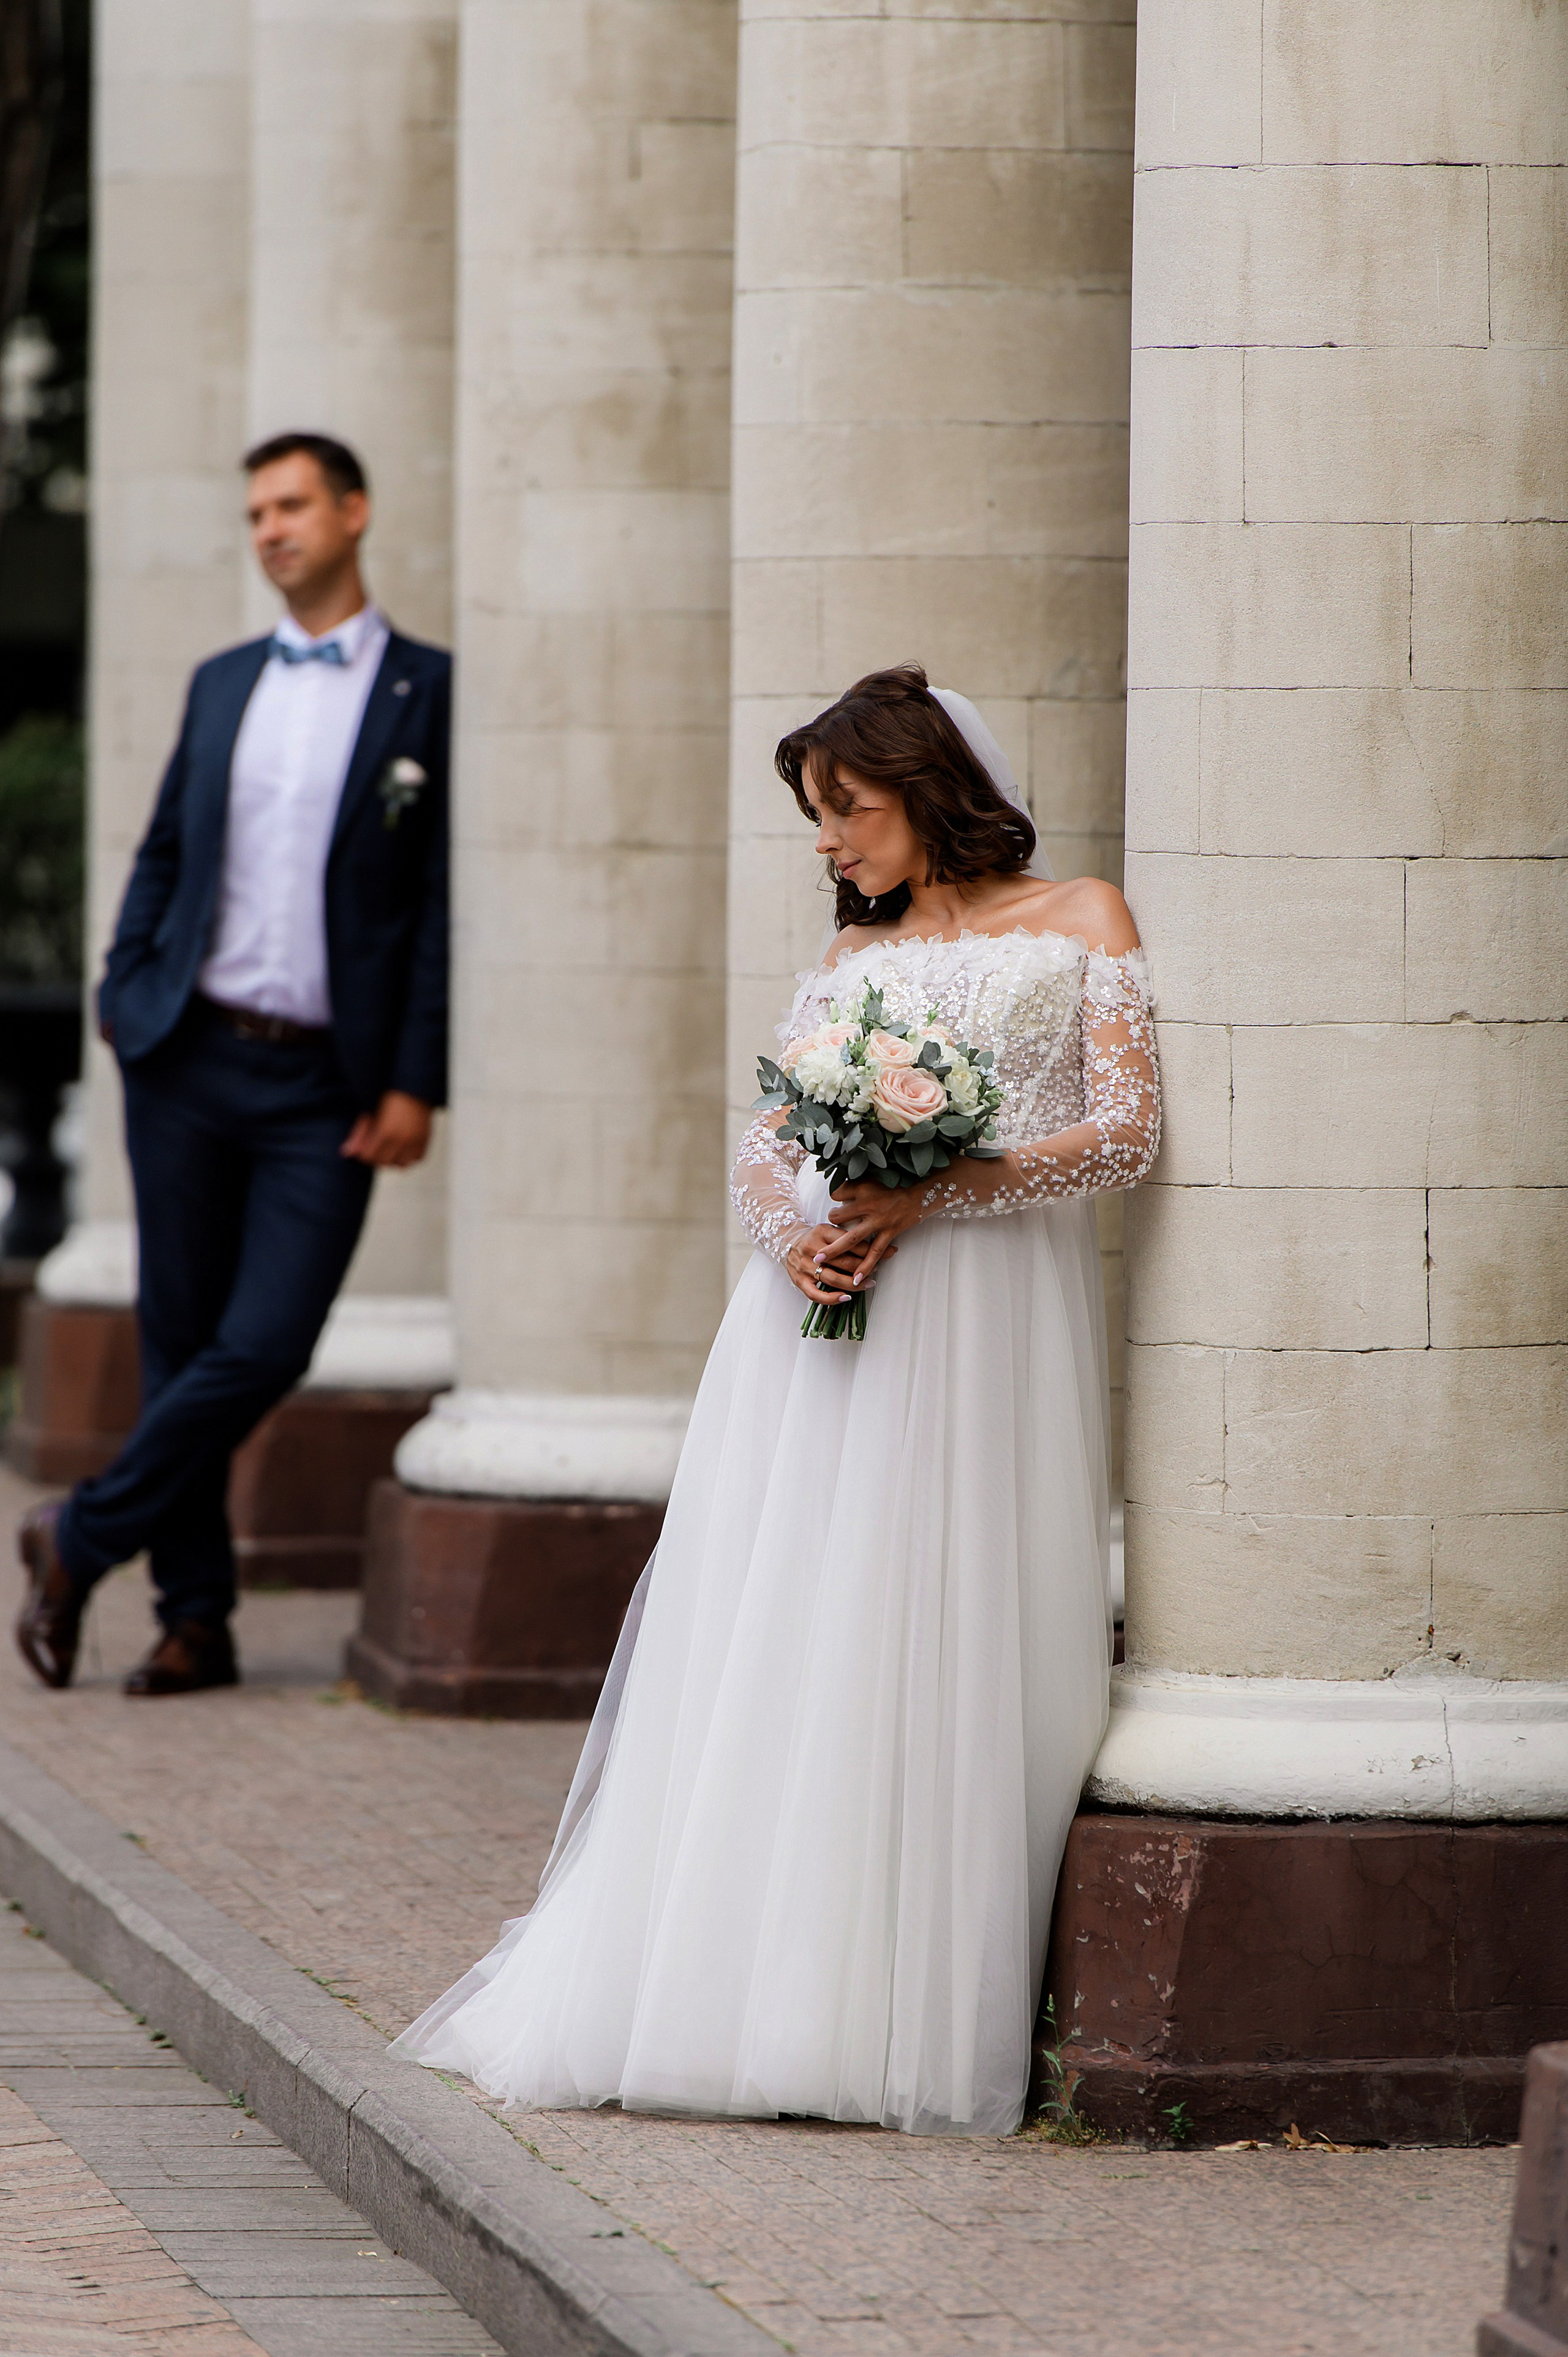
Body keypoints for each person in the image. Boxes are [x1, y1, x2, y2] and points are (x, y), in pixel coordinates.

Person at [390, 665, 1158, 2136]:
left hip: (978, 1315)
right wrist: (785, 1228)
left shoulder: (1082, 920)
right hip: (814, 1324)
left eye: (845, 810)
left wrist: (941, 1192)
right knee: (792, 1619)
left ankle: (876, 2008)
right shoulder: (841, 956)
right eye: (817, 817)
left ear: (930, 793)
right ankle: (726, 1987)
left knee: (931, 1614)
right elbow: (762, 1144)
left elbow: (1121, 1136)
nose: (828, 843)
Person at [15, 432, 450, 1698]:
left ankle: (78, 1533)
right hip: (187, 1056)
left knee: (264, 1342)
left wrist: (412, 1078)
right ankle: (193, 1620)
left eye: (293, 504)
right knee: (179, 1336)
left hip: (330, 1083)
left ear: (354, 512)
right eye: (255, 510)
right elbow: (163, 851)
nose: (270, 527)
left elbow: (434, 909)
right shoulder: (219, 684)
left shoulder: (431, 692)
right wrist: (120, 987)